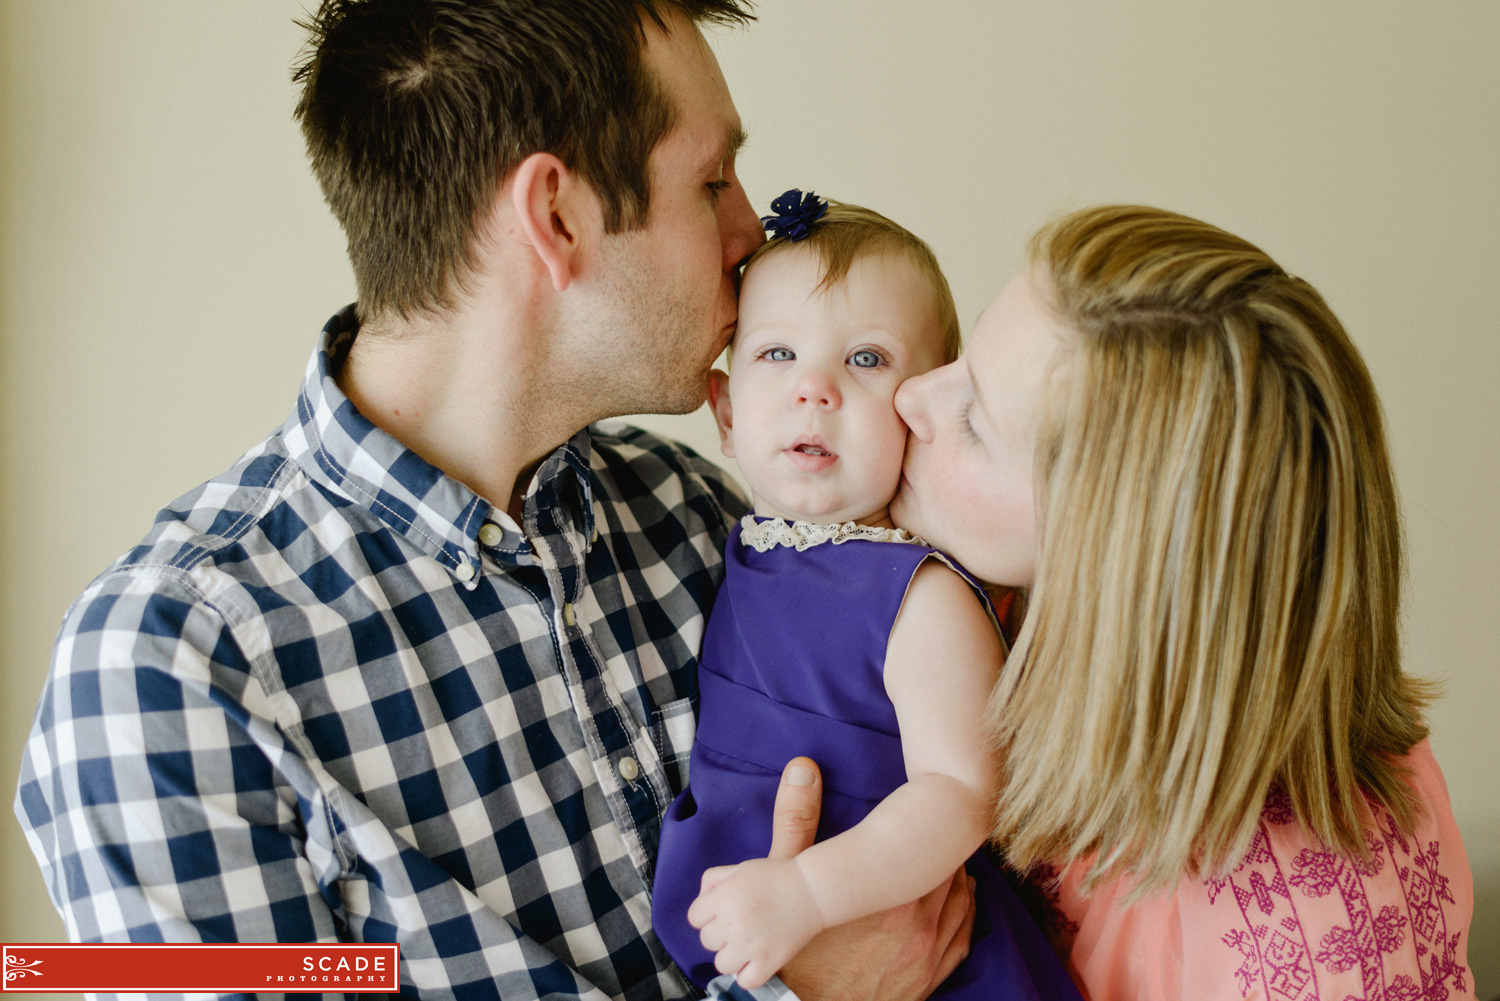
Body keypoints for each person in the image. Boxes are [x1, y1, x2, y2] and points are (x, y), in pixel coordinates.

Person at [12, 3, 977, 999]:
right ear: (556, 217)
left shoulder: (702, 519)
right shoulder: (174, 669)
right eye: (712, 180)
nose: (751, 233)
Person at [891, 204, 1476, 1001]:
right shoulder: (992, 630)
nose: (910, 395)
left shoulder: (1289, 960)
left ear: (1104, 565)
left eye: (972, 420)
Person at [648, 192, 1083, 1001]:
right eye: (777, 353)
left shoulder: (921, 594)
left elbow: (961, 792)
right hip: (756, 925)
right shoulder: (726, 536)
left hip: (916, 948)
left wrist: (810, 894)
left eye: (868, 359)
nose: (816, 388)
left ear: (919, 413)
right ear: (727, 411)